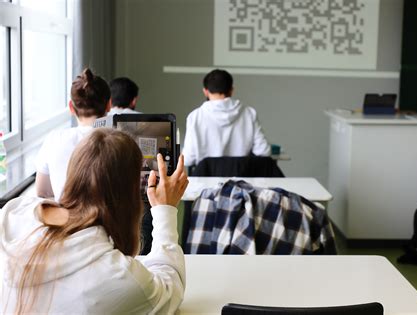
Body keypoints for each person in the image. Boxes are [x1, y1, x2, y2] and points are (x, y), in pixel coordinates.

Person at [0, 128, 188, 314]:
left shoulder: (13, 214)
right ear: (130, 197)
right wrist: (165, 210)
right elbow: (169, 289)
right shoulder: (120, 279)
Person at [35, 68, 111, 201]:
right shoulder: (121, 141)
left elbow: (42, 191)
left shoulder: (54, 139)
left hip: (66, 219)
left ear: (71, 107)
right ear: (109, 105)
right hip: (109, 220)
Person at [182, 69, 271, 167]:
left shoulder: (195, 117)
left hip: (205, 180)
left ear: (206, 92)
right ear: (231, 90)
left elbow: (188, 160)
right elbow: (264, 152)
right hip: (241, 179)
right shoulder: (249, 113)